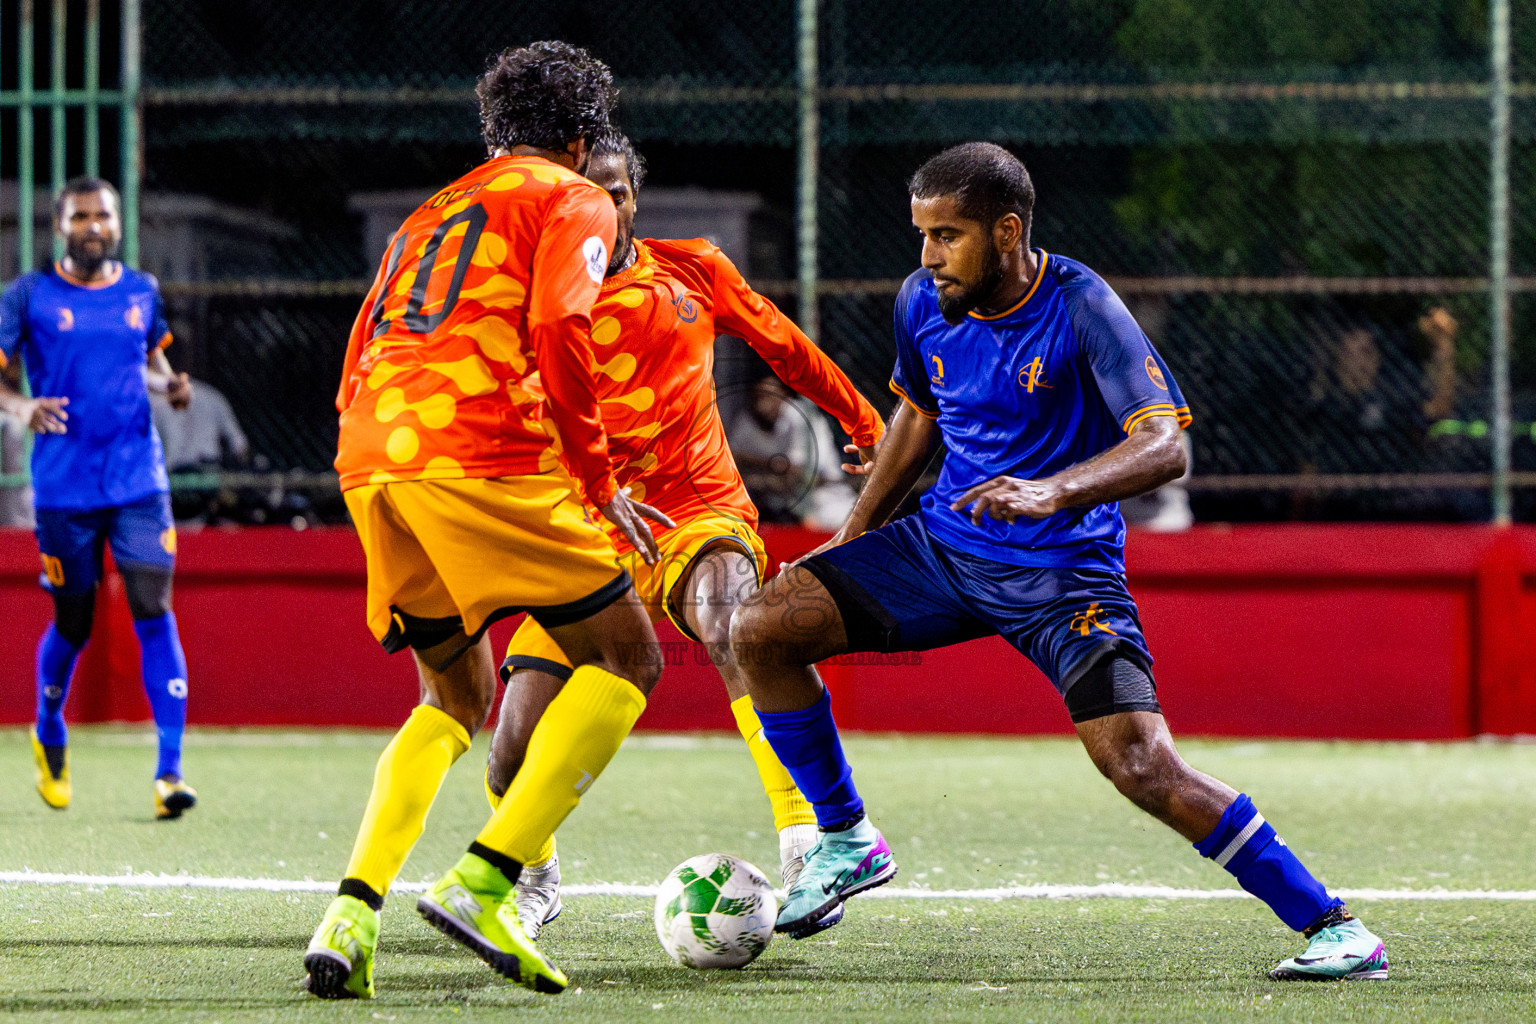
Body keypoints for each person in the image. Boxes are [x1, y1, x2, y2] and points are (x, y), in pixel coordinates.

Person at [728, 143, 1388, 981]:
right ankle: (846, 836)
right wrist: (855, 535)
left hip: (1062, 578)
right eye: (922, 234)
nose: (928, 256)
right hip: (942, 548)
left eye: (948, 236)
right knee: (762, 628)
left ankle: (1334, 927)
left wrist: (1053, 492)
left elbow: (1163, 446)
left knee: (1142, 764)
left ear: (1007, 232)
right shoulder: (922, 300)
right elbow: (918, 416)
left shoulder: (1082, 305)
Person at [303, 42, 669, 1000]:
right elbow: (557, 326)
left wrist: (373, 452)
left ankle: (351, 909)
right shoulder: (573, 195)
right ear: (583, 139)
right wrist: (597, 478)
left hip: (370, 452)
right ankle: (488, 881)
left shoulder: (434, 209)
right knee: (630, 657)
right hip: (476, 451)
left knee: (454, 698)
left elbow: (362, 336)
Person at [486, 130, 884, 939]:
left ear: (634, 194)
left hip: (694, 508)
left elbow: (786, 348)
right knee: (509, 751)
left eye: (617, 189)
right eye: (586, 190)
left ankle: (806, 842)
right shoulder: (533, 297)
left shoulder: (694, 268)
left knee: (736, 622)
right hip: (589, 535)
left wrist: (862, 417)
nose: (605, 205)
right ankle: (533, 879)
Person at [0, 177, 199, 821]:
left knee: (152, 604)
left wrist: (172, 388)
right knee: (74, 621)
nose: (92, 225)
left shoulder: (142, 291)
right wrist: (22, 403)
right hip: (63, 485)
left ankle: (169, 772)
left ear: (118, 224)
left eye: (102, 215)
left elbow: (149, 364)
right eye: (79, 215)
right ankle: (49, 728)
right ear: (60, 225)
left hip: (139, 480)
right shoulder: (27, 296)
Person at [728, 373, 861, 530]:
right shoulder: (750, 418)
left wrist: (760, 464)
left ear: (783, 396)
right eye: (759, 396)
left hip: (827, 499)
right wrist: (772, 466)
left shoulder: (799, 415)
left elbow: (795, 471)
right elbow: (732, 458)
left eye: (769, 396)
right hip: (783, 504)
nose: (763, 403)